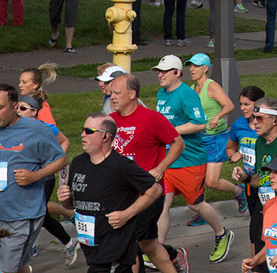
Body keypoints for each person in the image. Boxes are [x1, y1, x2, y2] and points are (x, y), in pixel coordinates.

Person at [0, 85, 67, 273]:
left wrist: (35, 175)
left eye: (0, 107)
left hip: (23, 214)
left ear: (14, 107)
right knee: (16, 265)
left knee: (3, 268)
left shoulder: (36, 129)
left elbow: (61, 160)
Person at [57, 113, 164, 273]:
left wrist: (127, 214)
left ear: (105, 136)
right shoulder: (79, 163)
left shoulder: (121, 166)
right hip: (91, 246)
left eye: (88, 131)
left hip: (115, 250)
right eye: (82, 130)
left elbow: (155, 189)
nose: (82, 135)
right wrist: (65, 199)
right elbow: (73, 205)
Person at [150, 55, 231, 261]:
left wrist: (171, 132)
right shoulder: (161, 93)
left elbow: (199, 123)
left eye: (164, 71)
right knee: (163, 205)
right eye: (158, 71)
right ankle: (157, 251)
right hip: (169, 160)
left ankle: (222, 233)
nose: (160, 75)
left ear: (177, 73)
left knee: (195, 205)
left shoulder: (187, 94)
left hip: (190, 160)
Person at [103, 74, 184, 273]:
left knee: (129, 243)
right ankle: (174, 259)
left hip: (147, 194)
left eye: (117, 93)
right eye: (111, 93)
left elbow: (178, 144)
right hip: (120, 195)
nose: (112, 97)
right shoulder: (110, 121)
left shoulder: (152, 119)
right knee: (148, 243)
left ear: (132, 94)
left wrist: (161, 168)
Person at [186, 54, 241, 212]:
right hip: (199, 138)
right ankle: (202, 212)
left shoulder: (211, 86)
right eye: (190, 66)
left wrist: (217, 117)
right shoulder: (192, 88)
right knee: (198, 178)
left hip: (215, 138)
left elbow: (229, 106)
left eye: (196, 66)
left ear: (205, 68)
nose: (192, 69)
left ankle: (238, 191)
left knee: (211, 181)